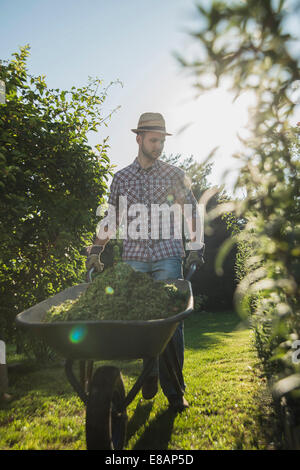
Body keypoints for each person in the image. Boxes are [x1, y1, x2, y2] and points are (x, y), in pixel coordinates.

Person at [86, 112, 204, 411]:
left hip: (167, 255)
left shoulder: (174, 174)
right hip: (135, 260)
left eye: (162, 141)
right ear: (139, 139)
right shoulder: (121, 178)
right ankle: (150, 373)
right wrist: (95, 251)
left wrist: (196, 245)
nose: (159, 146)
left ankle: (175, 391)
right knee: (141, 322)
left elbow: (190, 211)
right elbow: (111, 219)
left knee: (170, 324)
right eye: (154, 140)